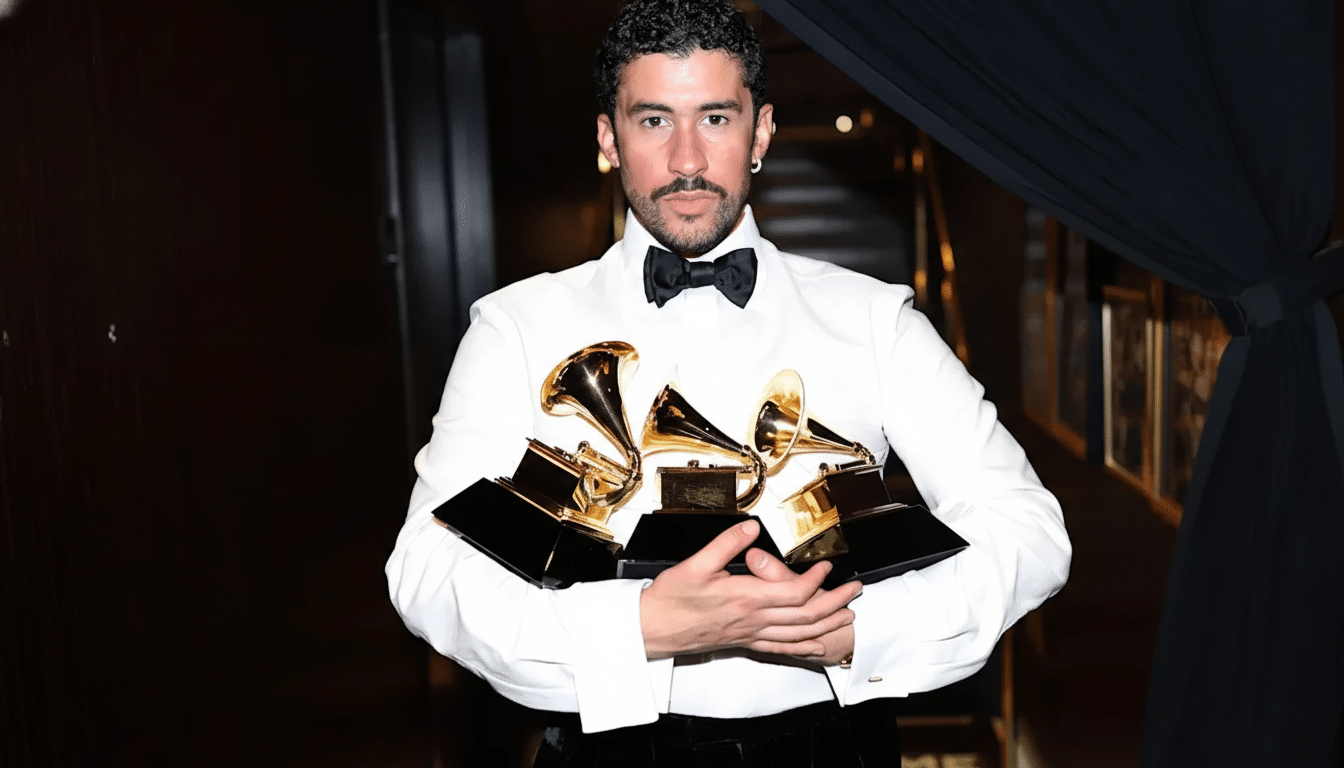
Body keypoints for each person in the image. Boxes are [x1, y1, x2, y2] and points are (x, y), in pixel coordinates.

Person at [385, 0, 1071, 764]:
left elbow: (1028, 531)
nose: (685, 159)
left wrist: (866, 627)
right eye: (652, 122)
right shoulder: (514, 327)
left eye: (714, 118)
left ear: (762, 132)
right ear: (609, 139)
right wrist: (639, 627)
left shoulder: (877, 320)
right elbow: (425, 566)